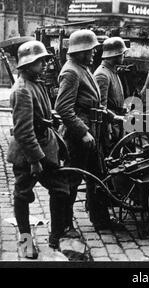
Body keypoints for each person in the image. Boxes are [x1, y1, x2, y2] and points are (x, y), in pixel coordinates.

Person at [7, 41, 70, 258]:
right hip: (28, 154)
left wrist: (51, 116)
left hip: (45, 148)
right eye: (39, 61)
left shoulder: (36, 83)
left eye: (43, 61)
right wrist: (35, 161)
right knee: (22, 195)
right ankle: (26, 243)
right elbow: (24, 131)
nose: (44, 65)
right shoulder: (22, 90)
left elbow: (41, 112)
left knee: (61, 189)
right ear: (27, 64)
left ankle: (56, 237)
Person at [55, 29, 117, 232]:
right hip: (77, 138)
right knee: (72, 181)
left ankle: (100, 220)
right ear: (80, 51)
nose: (94, 54)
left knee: (96, 177)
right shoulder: (71, 72)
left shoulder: (83, 68)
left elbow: (93, 103)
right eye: (90, 50)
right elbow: (63, 108)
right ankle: (64, 224)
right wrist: (82, 132)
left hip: (91, 135)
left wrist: (111, 116)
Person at [94, 37, 128, 152]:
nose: (124, 56)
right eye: (123, 53)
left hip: (116, 122)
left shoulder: (111, 71)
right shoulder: (102, 75)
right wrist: (108, 129)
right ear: (115, 54)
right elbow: (101, 106)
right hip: (110, 125)